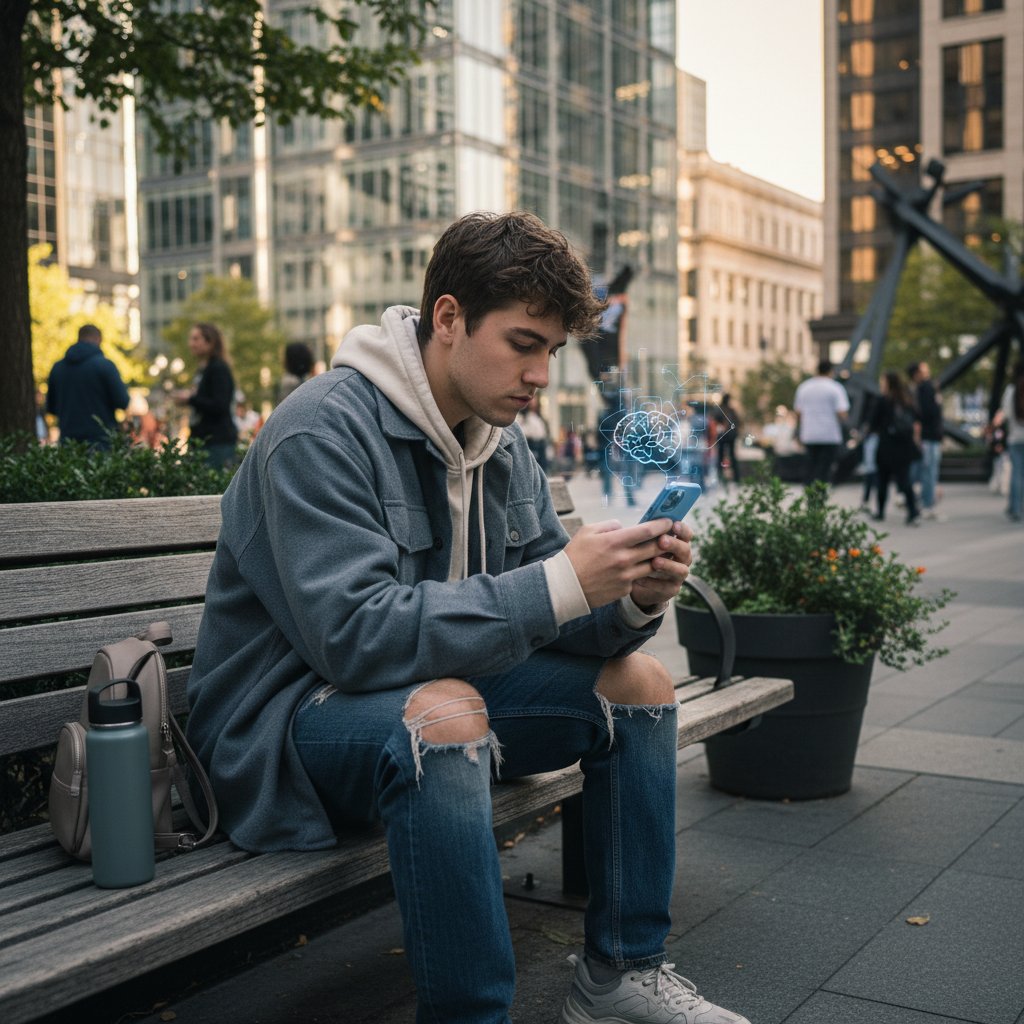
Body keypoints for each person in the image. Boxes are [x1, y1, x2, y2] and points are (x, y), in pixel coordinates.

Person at [185, 212, 749, 1024]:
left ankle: (620, 974)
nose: (541, 374)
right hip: (284, 726)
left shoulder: (501, 445)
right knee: (445, 717)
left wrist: (633, 594)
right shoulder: (320, 428)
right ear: (448, 318)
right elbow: (354, 640)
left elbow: (559, 609)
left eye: (552, 351)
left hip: (437, 696)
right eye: (523, 343)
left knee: (640, 683)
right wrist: (561, 581)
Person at [45, 323, 130, 448]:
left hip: (68, 441)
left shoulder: (58, 368)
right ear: (98, 339)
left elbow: (51, 408)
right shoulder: (105, 366)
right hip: (101, 441)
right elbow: (123, 401)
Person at [172, 322, 239, 468]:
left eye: (196, 339)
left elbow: (220, 405)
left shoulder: (218, 368)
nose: (191, 344)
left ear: (210, 342)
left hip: (216, 442)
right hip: (204, 441)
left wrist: (190, 399)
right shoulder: (205, 369)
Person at [869, 370, 921, 525]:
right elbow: (916, 419)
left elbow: (873, 423)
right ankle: (913, 512)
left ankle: (880, 512)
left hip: (886, 446)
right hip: (904, 446)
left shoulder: (883, 400)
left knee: (882, 481)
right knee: (905, 481)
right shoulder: (907, 399)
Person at [793, 358, 849, 485]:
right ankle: (821, 494)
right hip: (830, 435)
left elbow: (798, 413)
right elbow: (842, 413)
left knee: (810, 467)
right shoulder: (836, 388)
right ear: (831, 371)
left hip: (809, 434)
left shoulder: (804, 387)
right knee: (824, 469)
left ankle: (809, 493)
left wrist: (798, 432)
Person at [907, 361, 943, 520]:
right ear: (917, 374)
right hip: (930, 435)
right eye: (923, 369)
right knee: (929, 471)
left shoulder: (919, 389)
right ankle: (927, 504)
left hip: (927, 435)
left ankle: (918, 500)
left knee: (923, 470)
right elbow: (930, 412)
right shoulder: (927, 388)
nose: (927, 371)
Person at [1002, 361, 1024, 522]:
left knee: (1016, 473)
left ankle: (1015, 507)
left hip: (1015, 437)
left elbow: (1006, 413)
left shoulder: (1011, 390)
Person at [713, 392, 741, 487]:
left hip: (724, 436)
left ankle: (721, 477)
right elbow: (737, 422)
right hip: (730, 436)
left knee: (721, 456)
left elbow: (715, 421)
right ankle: (735, 478)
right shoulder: (730, 410)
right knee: (731, 456)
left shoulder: (720, 409)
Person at [518, 396, 550, 472]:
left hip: (540, 446)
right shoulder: (522, 417)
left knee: (541, 469)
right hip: (529, 444)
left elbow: (543, 433)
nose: (533, 402)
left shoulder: (539, 417)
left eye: (535, 400)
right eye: (531, 400)